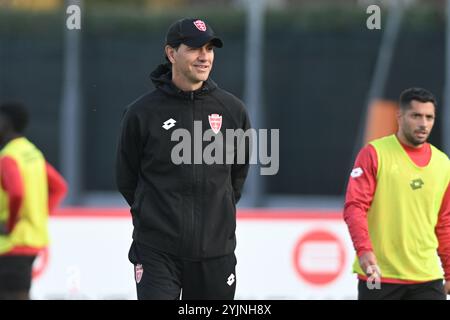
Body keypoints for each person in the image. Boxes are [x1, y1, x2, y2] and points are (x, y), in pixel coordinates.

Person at [116, 18, 251, 300]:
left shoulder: (233, 110)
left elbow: (237, 176)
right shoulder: (141, 113)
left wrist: (213, 217)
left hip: (215, 253)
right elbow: (127, 179)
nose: (204, 56)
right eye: (194, 48)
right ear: (171, 53)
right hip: (157, 251)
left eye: (210, 48)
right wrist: (158, 217)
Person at [343, 87, 450, 300]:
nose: (423, 123)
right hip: (378, 275)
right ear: (399, 116)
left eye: (429, 117)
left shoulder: (443, 164)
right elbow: (355, 207)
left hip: (427, 278)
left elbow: (445, 222)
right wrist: (364, 251)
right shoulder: (374, 154)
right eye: (416, 116)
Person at [0, 102, 68, 300]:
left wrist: (11, 224)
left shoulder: (8, 157)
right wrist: (39, 215)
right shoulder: (33, 154)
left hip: (11, 244)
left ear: (6, 123)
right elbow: (59, 187)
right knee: (20, 294)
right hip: (32, 241)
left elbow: (17, 193)